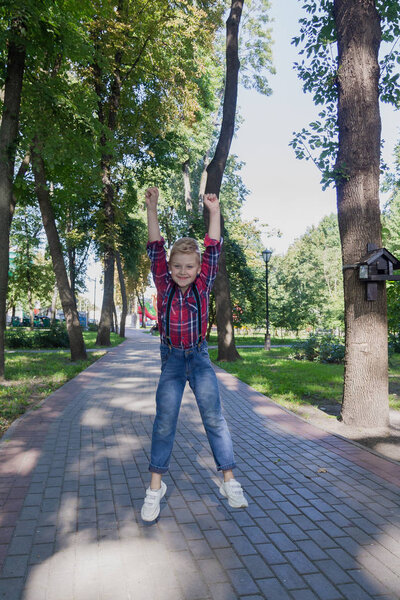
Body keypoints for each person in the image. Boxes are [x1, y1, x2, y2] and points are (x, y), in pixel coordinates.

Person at [141, 186, 248, 522]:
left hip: (199, 358)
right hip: (172, 360)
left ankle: (228, 480)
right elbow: (156, 246)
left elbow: (214, 248)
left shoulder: (204, 283)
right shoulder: (163, 282)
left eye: (189, 266)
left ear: (199, 268)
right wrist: (152, 208)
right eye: (178, 266)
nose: (183, 271)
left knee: (214, 418)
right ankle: (155, 488)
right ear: (169, 268)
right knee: (164, 423)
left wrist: (214, 211)